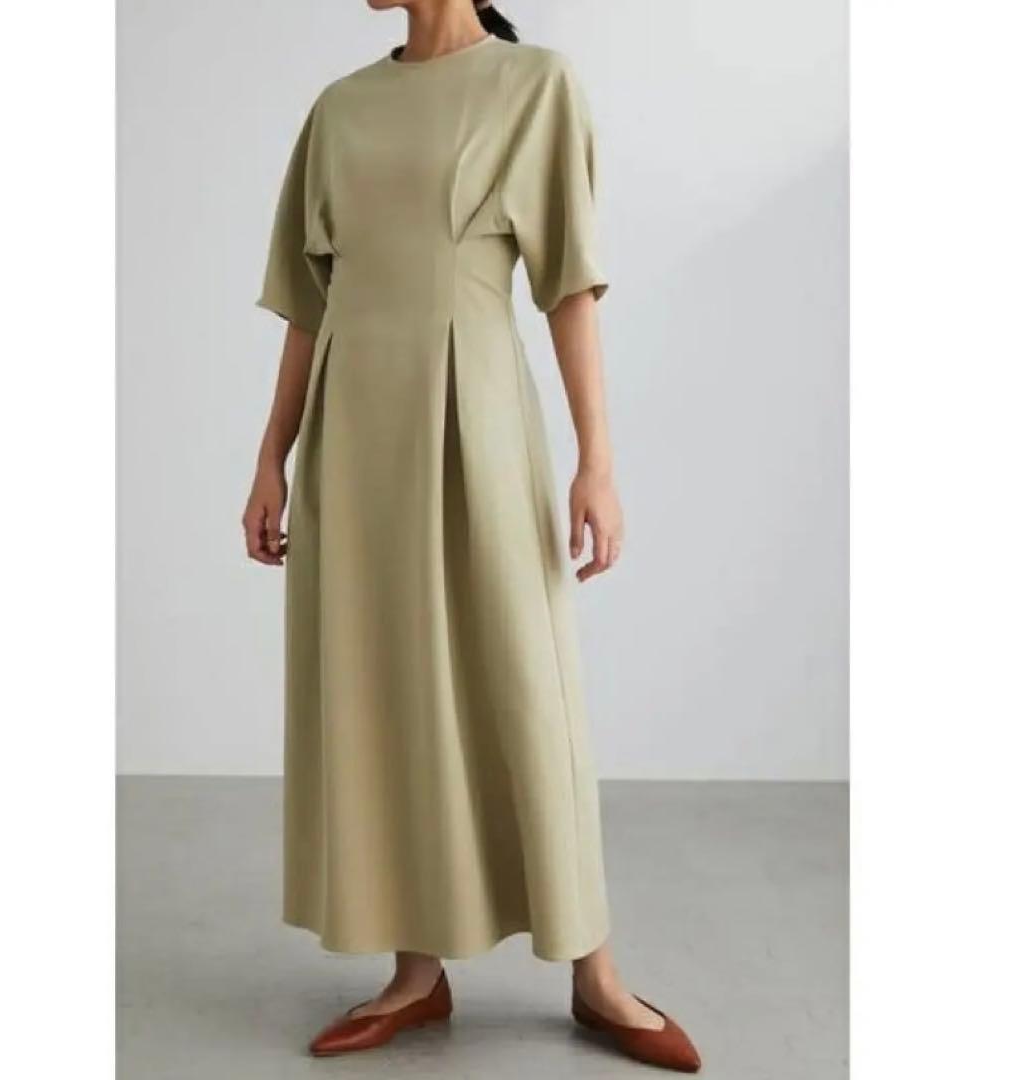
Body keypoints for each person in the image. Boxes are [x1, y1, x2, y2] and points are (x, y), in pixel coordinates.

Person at [243, 1, 701, 1070]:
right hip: (353, 431)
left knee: (526, 681)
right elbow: (309, 302)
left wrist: (597, 460)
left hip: (474, 414)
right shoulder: (340, 108)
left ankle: (595, 975)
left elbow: (569, 285)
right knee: (382, 683)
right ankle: (415, 974)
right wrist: (272, 455)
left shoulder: (536, 84)